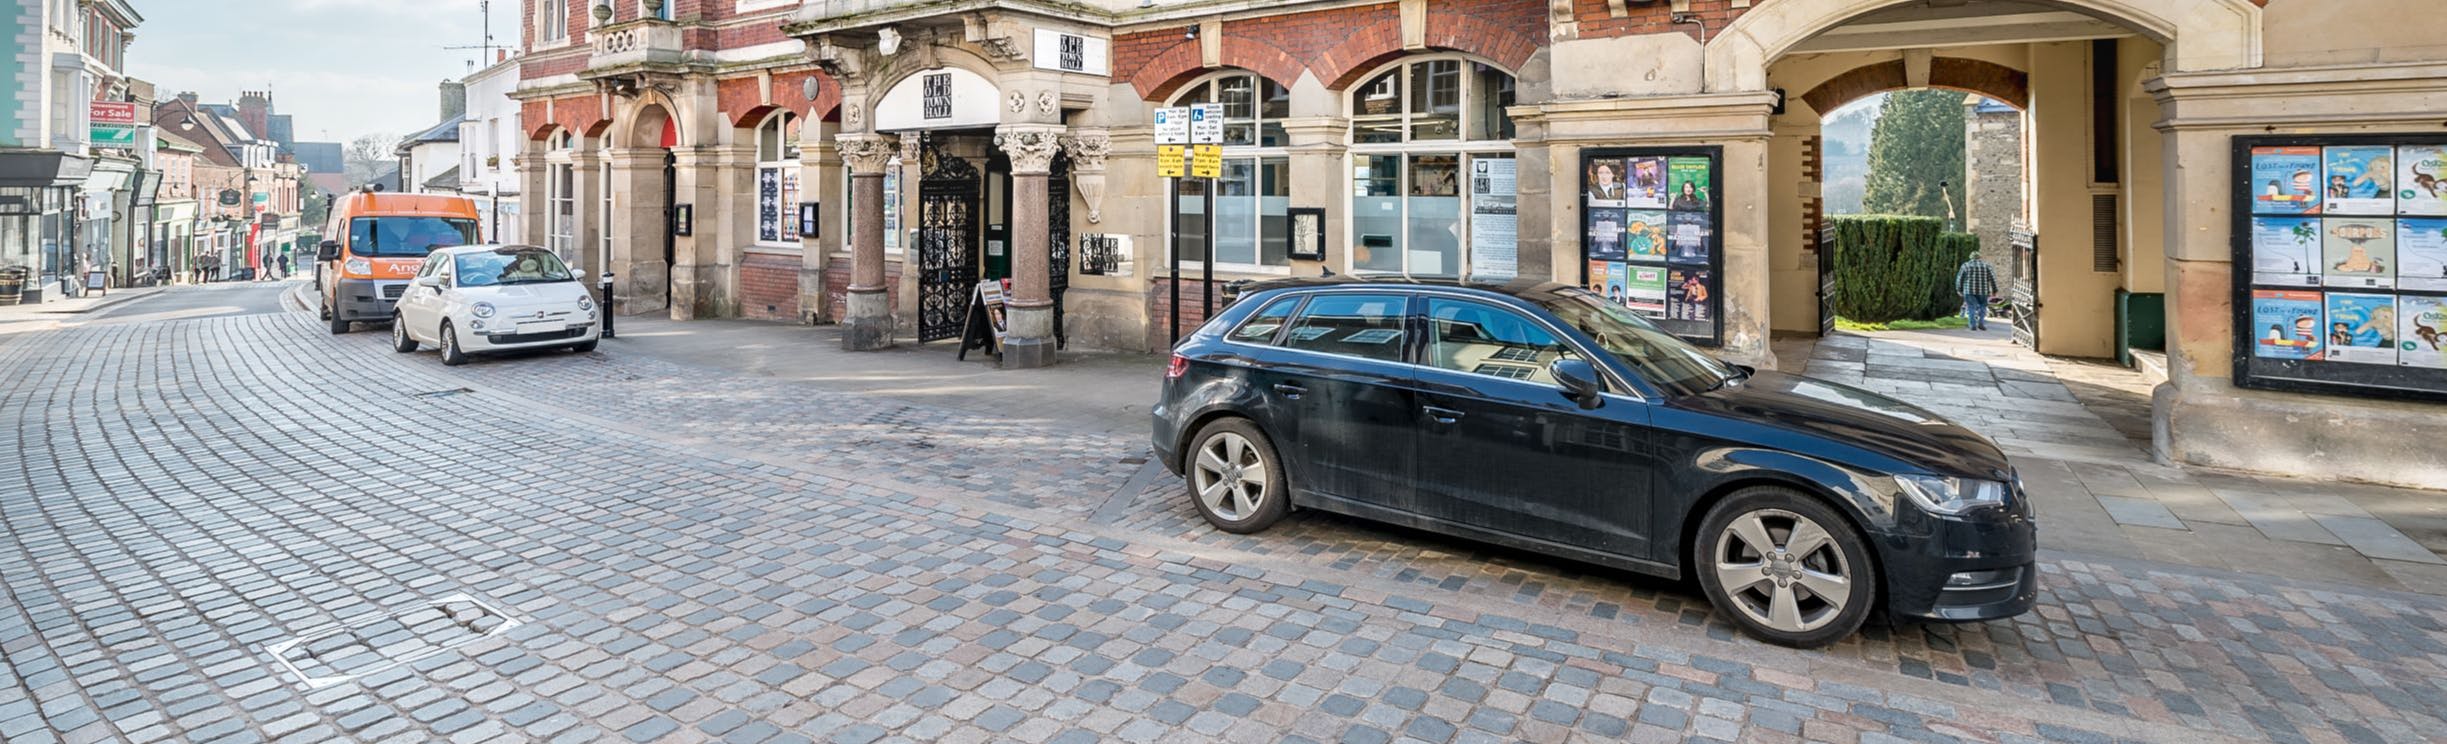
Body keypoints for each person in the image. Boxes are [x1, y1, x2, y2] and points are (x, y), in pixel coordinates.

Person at [1955, 254, 1999, 331]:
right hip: (1983, 291)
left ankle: (1972, 325)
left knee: (1971, 307)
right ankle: (1981, 323)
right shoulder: (1987, 266)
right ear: (1980, 257)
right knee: (1983, 307)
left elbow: (1960, 279)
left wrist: (1959, 289)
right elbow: (1993, 279)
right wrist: (1994, 290)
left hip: (1969, 291)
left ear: (1970, 257)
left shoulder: (1965, 266)